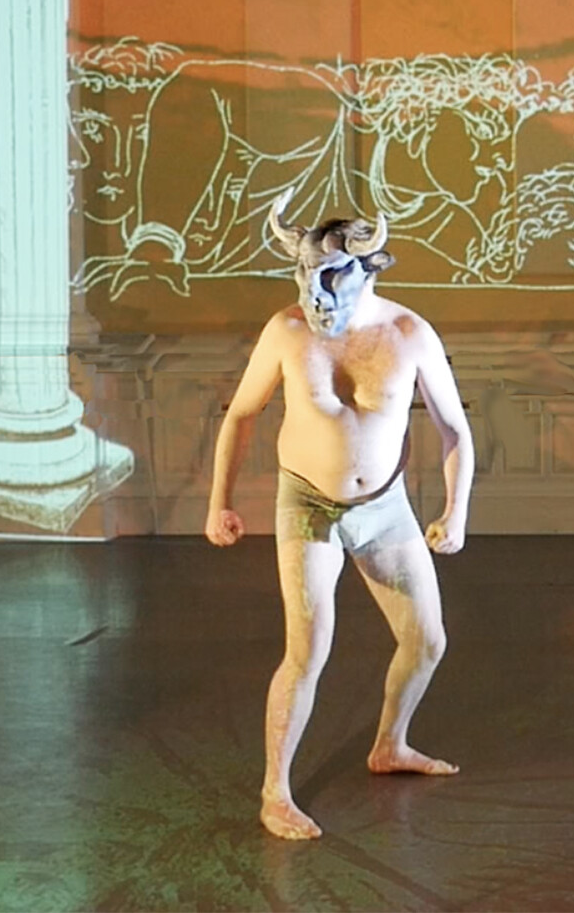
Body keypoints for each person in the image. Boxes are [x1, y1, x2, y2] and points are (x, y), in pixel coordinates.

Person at [205, 189, 475, 841]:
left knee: (427, 639)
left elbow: (455, 430)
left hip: (384, 507)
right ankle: (275, 791)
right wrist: (219, 501)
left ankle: (390, 743)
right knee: (307, 650)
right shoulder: (287, 331)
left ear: (368, 268)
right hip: (308, 505)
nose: (315, 291)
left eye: (331, 275)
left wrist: (456, 511)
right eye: (305, 274)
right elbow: (241, 414)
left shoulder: (409, 334)